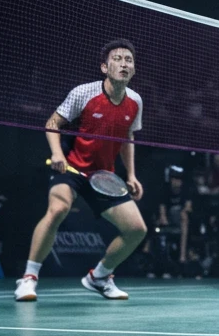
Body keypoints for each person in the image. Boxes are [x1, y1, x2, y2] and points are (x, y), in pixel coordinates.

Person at [15, 40, 146, 302]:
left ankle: (99, 277)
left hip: (104, 176)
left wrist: (130, 174)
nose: (123, 63)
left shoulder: (135, 102)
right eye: (117, 59)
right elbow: (53, 122)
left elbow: (127, 138)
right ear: (104, 67)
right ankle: (28, 279)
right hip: (73, 166)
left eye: (128, 60)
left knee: (136, 229)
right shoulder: (84, 93)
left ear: (133, 69)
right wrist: (57, 154)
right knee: (58, 209)